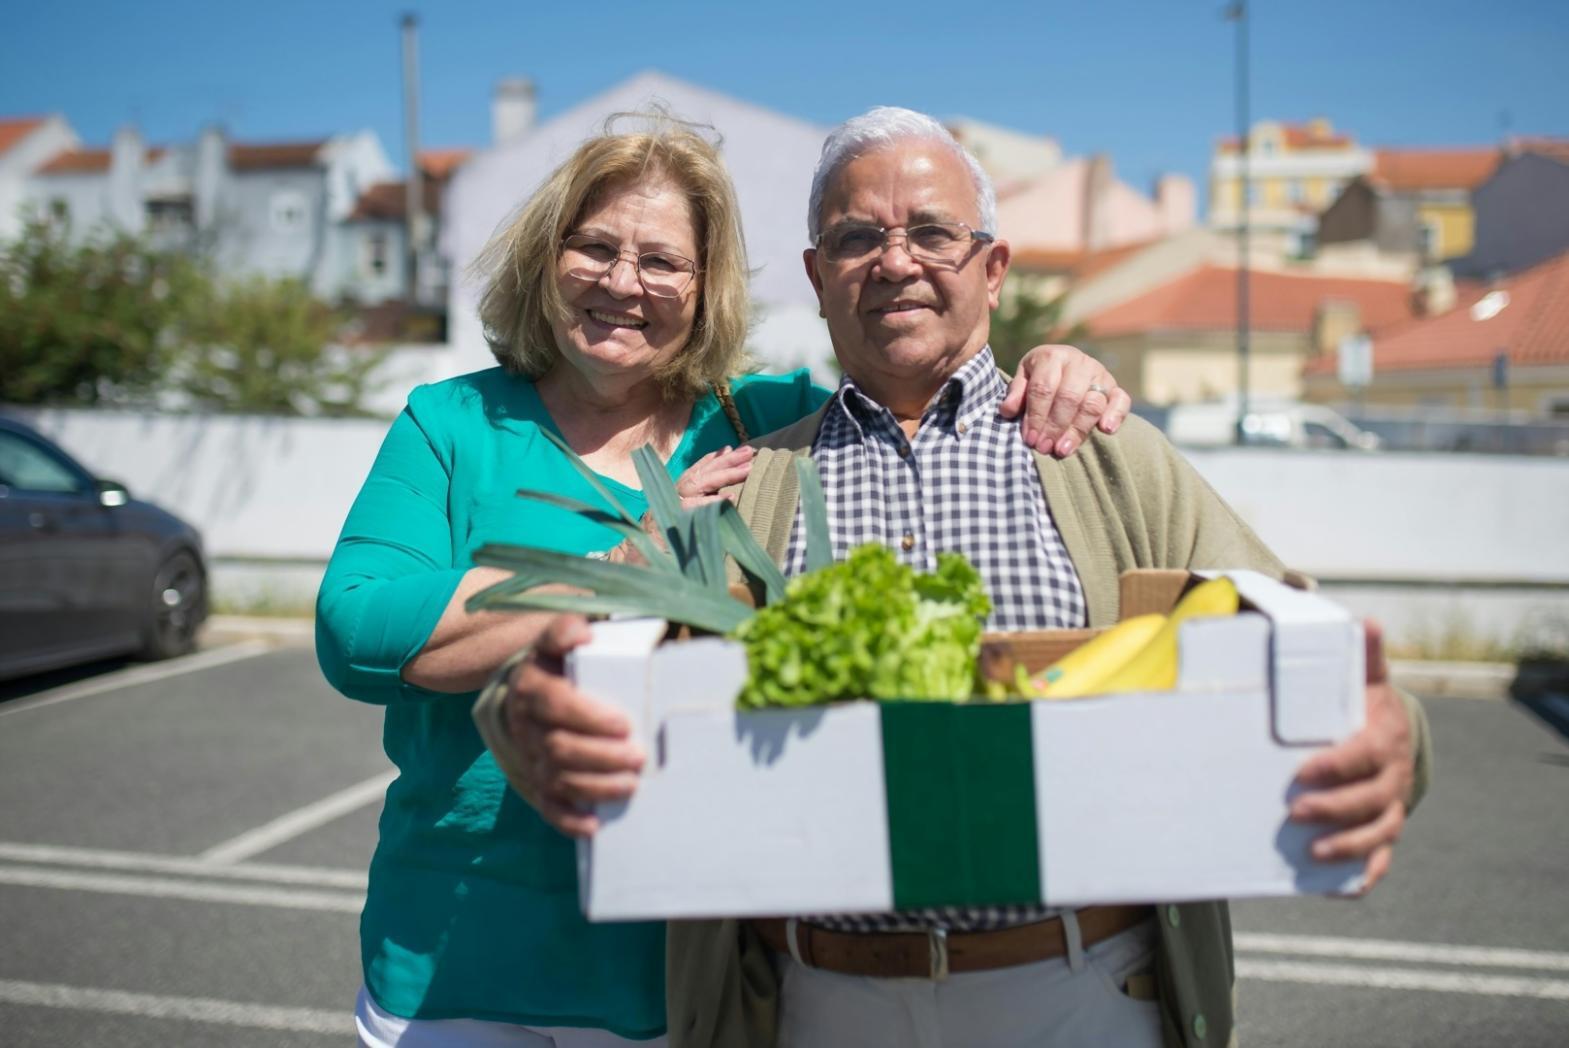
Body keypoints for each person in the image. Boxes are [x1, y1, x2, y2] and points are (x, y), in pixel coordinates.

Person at [491, 108, 1433, 1048]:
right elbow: (558, 668)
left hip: (1081, 995)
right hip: (814, 1003)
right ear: (819, 279)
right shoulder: (747, 483)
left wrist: (1390, 731)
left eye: (932, 233)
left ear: (993, 268)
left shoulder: (1105, 456)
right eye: (857, 238)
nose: (895, 263)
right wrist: (526, 714)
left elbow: (1306, 643)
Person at [315, 111, 1131, 1048]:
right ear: (548, 258)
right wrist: (626, 565)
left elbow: (916, 396)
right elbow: (358, 632)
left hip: (679, 971)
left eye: (662, 262)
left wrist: (1053, 366)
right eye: (593, 247)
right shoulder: (453, 424)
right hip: (455, 962)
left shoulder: (765, 421)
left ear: (705, 292)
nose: (623, 283)